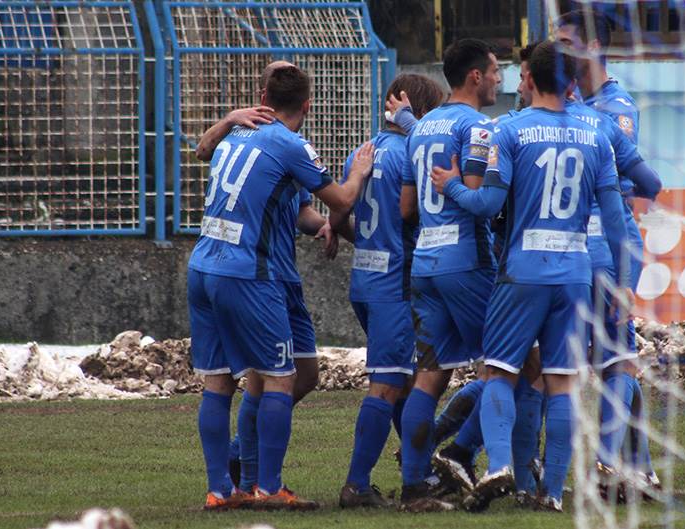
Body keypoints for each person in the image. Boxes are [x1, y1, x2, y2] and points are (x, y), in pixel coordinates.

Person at [429, 40, 629, 513]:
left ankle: (498, 463)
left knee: (498, 371)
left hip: (522, 273)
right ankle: (552, 493)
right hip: (577, 274)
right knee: (561, 381)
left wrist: (450, 185)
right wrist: (621, 283)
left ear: (532, 81)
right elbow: (617, 222)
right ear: (574, 83)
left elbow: (488, 206)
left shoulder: (510, 130)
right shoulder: (597, 136)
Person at [187, 62, 374, 511]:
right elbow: (344, 199)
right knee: (276, 378)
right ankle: (265, 485)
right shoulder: (290, 144)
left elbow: (289, 206)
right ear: (307, 105)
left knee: (231, 381)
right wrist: (360, 171)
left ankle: (222, 487)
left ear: (263, 94)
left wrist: (320, 227)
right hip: (251, 273)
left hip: (207, 266)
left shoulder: (239, 133)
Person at [327, 73, 446, 508]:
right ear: (421, 111)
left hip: (365, 278)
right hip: (395, 282)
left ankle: (423, 472)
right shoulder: (411, 153)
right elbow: (406, 210)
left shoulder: (363, 152)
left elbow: (344, 208)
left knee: (404, 379)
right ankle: (357, 485)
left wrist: (336, 229)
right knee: (387, 384)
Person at [557, 9, 661, 498]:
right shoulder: (570, 101)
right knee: (613, 360)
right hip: (572, 246)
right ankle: (637, 464)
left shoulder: (615, 108)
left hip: (605, 244)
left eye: (566, 42)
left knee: (609, 360)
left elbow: (637, 184)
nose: (558, 51)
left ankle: (605, 462)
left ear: (594, 47)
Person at [397, 37, 501, 512]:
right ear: (475, 76)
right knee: (508, 368)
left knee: (430, 375)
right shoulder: (477, 128)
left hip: (425, 263)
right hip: (467, 262)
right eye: (497, 71)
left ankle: (415, 484)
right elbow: (477, 197)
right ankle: (463, 454)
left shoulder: (421, 129)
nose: (501, 80)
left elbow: (410, 205)